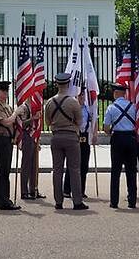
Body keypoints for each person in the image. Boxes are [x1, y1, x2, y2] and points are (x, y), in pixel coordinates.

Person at [44, 73, 89, 210]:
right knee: (74, 169)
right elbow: (80, 122)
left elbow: (47, 122)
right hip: (71, 137)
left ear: (56, 84)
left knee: (57, 170)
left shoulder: (50, 102)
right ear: (69, 84)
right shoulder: (73, 102)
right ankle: (77, 201)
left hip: (56, 136)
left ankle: (58, 201)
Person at [103, 83, 138, 209]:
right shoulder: (133, 106)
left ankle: (114, 201)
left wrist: (110, 132)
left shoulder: (111, 108)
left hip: (117, 138)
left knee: (116, 171)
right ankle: (132, 200)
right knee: (131, 171)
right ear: (124, 93)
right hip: (131, 138)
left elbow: (106, 128)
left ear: (116, 93)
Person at [0, 81, 20, 210]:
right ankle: (2, 201)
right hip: (1, 140)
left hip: (8, 140)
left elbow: (15, 123)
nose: (5, 93)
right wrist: (16, 113)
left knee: (5, 171)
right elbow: (7, 122)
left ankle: (1, 199)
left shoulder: (7, 107)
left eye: (6, 91)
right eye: (2, 91)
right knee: (2, 171)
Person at [15, 95, 45, 201]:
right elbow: (20, 125)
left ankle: (33, 190)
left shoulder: (35, 107)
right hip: (26, 137)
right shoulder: (22, 108)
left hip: (33, 137)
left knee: (34, 165)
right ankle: (24, 191)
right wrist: (33, 118)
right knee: (26, 165)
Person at [64, 88, 90, 199]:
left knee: (84, 166)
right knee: (72, 165)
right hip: (74, 137)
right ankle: (67, 190)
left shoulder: (87, 109)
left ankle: (81, 190)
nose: (82, 98)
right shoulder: (72, 108)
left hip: (85, 138)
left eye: (83, 95)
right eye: (80, 95)